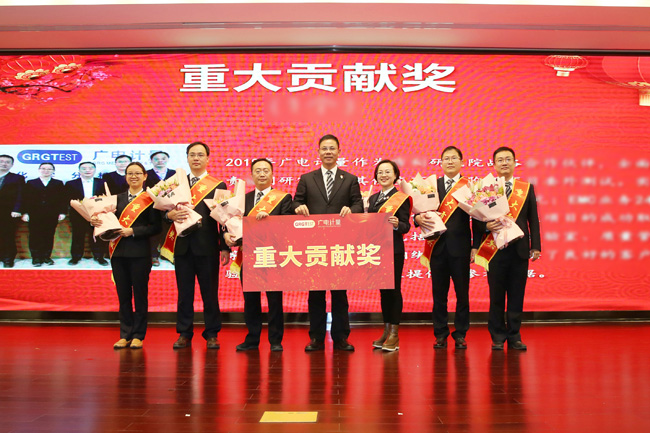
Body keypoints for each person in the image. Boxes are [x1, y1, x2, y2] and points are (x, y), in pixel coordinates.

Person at [293, 134, 363, 352]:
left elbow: (358, 204)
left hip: (340, 245)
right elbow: (296, 201)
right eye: (324, 148)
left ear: (339, 152)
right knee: (316, 294)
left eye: (332, 148)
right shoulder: (307, 178)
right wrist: (298, 207)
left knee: (339, 294)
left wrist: (351, 210)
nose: (328, 152)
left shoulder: (350, 179)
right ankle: (316, 337)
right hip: (315, 245)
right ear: (318, 152)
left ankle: (341, 337)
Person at [472, 146, 541, 351]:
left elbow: (533, 219)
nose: (504, 163)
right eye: (500, 160)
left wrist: (536, 246)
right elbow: (476, 221)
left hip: (519, 249)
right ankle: (497, 336)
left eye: (508, 159)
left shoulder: (525, 188)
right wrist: (486, 227)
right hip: (495, 250)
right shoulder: (485, 189)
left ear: (514, 163)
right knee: (496, 296)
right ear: (494, 164)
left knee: (517, 295)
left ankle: (514, 336)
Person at [165, 141, 230, 350]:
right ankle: (184, 333)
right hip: (182, 245)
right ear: (187, 158)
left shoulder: (218, 185)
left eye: (200, 155)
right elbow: (162, 213)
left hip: (207, 247)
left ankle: (212, 333)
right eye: (192, 154)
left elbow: (224, 218)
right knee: (184, 293)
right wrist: (169, 215)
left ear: (208, 159)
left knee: (209, 293)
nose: (196, 158)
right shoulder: (175, 184)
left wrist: (224, 247)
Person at [416, 146, 481, 350]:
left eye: (454, 158)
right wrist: (417, 219)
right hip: (437, 247)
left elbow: (478, 219)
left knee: (462, 294)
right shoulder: (432, 185)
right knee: (439, 294)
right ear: (441, 162)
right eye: (446, 158)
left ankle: (460, 333)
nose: (450, 161)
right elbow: (418, 209)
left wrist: (476, 246)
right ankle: (440, 333)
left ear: (462, 161)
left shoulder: (469, 186)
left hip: (461, 249)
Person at [225, 158, 292, 352]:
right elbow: (231, 223)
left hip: (273, 255)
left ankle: (275, 340)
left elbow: (288, 225)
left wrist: (270, 221)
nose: (262, 174)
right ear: (252, 175)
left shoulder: (283, 198)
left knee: (274, 301)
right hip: (248, 255)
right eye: (258, 171)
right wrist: (226, 235)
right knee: (251, 300)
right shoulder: (242, 200)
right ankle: (252, 339)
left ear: (272, 174)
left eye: (265, 170)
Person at [92, 162, 161, 349]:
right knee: (123, 296)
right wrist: (95, 220)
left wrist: (133, 231)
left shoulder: (151, 199)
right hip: (118, 253)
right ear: (125, 176)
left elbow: (156, 227)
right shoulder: (115, 199)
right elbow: (106, 222)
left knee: (140, 295)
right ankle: (125, 334)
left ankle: (138, 335)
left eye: (138, 173)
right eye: (130, 173)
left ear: (145, 176)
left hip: (140, 254)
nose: (134, 176)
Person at [368, 159, 411, 352]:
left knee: (393, 290)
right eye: (380, 172)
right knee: (383, 291)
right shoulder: (372, 199)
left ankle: (394, 333)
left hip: (393, 249)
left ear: (395, 176)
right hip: (376, 251)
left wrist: (396, 224)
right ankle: (386, 331)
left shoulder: (401, 198)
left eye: (387, 172)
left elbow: (406, 226)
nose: (383, 175)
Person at [21, 162, 67, 266]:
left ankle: (46, 257)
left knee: (49, 235)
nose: (46, 171)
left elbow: (63, 199)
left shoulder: (58, 183)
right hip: (34, 214)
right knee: (35, 236)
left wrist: (62, 212)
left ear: (53, 171)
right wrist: (25, 213)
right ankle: (36, 258)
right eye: (43, 168)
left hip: (52, 214)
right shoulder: (31, 183)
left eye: (49, 169)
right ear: (39, 169)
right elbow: (25, 199)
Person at [66, 161, 108, 266]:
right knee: (77, 236)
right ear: (79, 171)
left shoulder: (102, 182)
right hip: (78, 214)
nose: (87, 170)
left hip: (97, 214)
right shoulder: (71, 184)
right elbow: (67, 199)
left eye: (90, 168)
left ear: (94, 170)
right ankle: (75, 257)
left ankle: (99, 257)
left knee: (97, 235)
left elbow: (107, 197)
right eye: (84, 168)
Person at [145, 151, 176, 266]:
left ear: (167, 159)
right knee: (154, 231)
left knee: (168, 231)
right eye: (156, 159)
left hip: (170, 207)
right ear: (151, 161)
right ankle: (153, 255)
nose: (160, 161)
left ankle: (166, 254)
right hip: (152, 207)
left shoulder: (174, 173)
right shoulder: (146, 174)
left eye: (163, 158)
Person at [0, 154, 25, 268]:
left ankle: (8, 258)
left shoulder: (17, 178)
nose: (4, 164)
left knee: (7, 235)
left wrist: (17, 209)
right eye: (1, 161)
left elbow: (21, 195)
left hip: (8, 212)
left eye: (7, 162)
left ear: (11, 165)